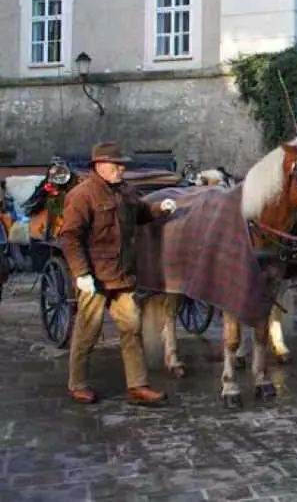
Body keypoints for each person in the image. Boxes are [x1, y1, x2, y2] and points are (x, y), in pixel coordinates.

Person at [60, 142, 178, 405]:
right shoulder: (82, 195)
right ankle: (77, 384)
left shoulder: (126, 192)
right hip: (95, 277)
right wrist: (81, 273)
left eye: (122, 164)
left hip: (122, 275)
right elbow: (70, 237)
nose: (121, 168)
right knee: (87, 331)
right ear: (99, 166)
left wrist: (161, 208)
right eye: (116, 164)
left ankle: (138, 386)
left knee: (131, 328)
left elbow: (141, 213)